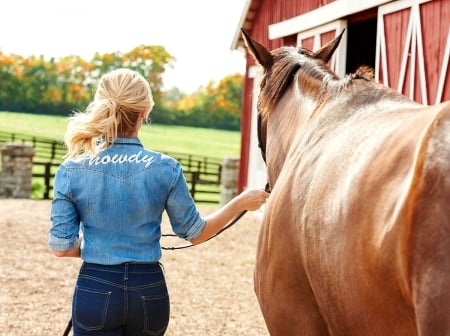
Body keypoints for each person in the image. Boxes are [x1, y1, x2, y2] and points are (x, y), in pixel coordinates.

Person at [48, 68, 269, 336]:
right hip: (148, 291)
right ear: (144, 112)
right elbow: (195, 233)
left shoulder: (72, 171)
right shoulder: (165, 168)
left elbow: (61, 247)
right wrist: (240, 203)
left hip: (96, 288)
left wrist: (101, 245)